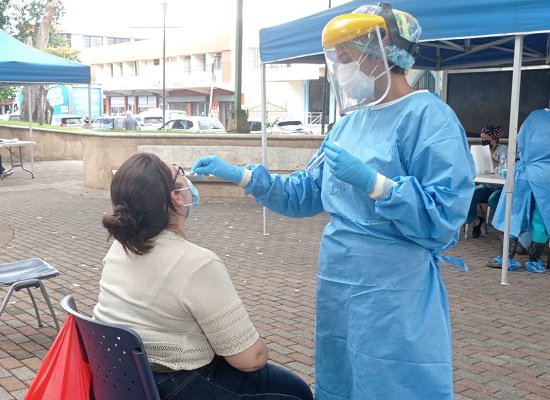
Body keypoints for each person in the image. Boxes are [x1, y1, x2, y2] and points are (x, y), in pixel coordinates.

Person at [191, 4, 475, 399]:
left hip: (393, 290)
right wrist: (241, 174)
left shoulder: (430, 118)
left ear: (381, 53)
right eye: (336, 60)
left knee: (392, 381)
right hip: (338, 284)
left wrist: (377, 185)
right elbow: (305, 194)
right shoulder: (347, 125)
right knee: (340, 378)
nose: (339, 70)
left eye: (346, 59)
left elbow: (445, 218)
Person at [93, 152, 313, 400]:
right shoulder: (197, 263)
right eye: (180, 172)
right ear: (176, 197)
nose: (187, 178)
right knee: (299, 393)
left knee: (292, 387)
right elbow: (250, 359)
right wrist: (258, 345)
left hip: (122, 377)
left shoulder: (120, 247)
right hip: (177, 382)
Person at [487, 108, 550, 273]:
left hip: (523, 172)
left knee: (513, 214)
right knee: (541, 219)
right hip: (546, 176)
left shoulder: (534, 116)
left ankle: (506, 258)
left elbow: (520, 138)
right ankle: (534, 261)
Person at [467, 124, 508, 238]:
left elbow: (503, 167)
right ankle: (475, 221)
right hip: (486, 185)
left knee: (494, 199)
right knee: (468, 195)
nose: (483, 141)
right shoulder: (480, 150)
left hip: (500, 187)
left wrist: (488, 155)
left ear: (494, 139)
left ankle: (507, 229)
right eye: (482, 138)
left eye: (486, 139)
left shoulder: (504, 150)